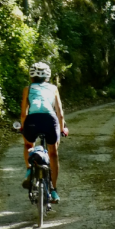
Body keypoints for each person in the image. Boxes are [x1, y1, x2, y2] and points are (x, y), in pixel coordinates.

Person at [20, 62, 68, 203]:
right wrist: (61, 128)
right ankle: (53, 190)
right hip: (50, 120)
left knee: (28, 145)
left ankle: (29, 169)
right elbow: (59, 112)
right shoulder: (53, 88)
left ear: (31, 76)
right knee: (53, 153)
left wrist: (23, 127)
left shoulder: (27, 89)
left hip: (32, 120)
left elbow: (24, 112)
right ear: (48, 76)